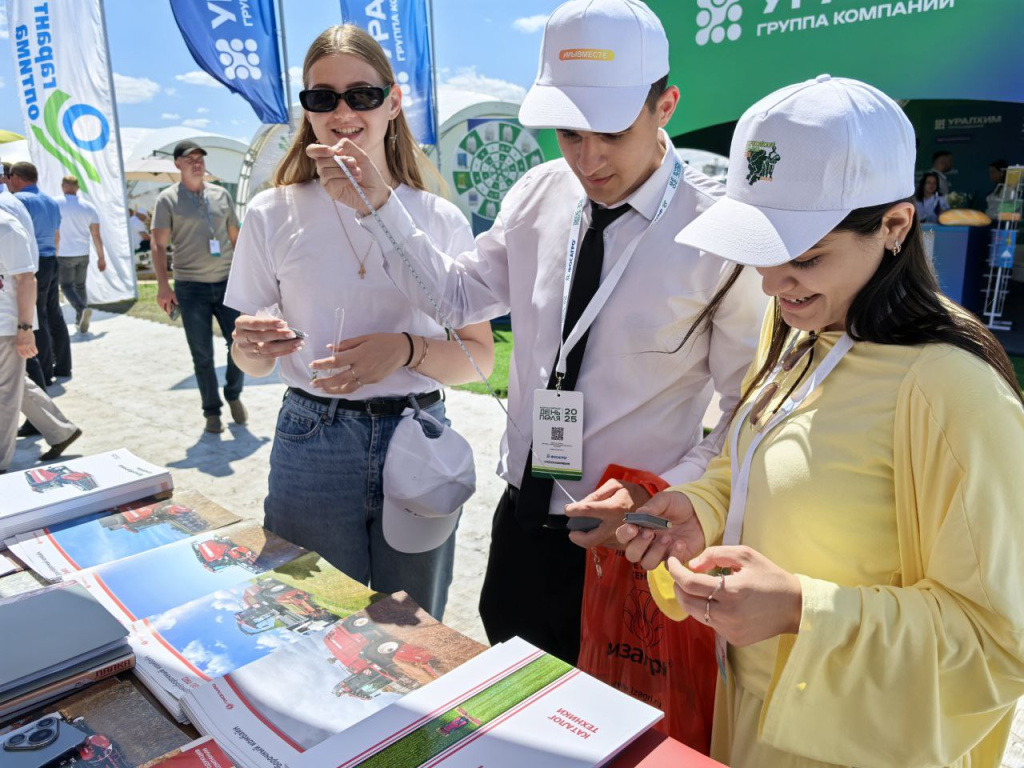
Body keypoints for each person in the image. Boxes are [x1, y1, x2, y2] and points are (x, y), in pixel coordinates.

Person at [311, 0, 765, 664]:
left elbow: (745, 410)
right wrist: (379, 205)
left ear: (665, 106)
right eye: (569, 133)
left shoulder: (718, 234)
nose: (589, 157)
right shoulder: (539, 193)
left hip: (633, 537)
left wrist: (661, 491)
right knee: (510, 677)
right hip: (523, 520)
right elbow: (455, 296)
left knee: (611, 711)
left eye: (611, 131)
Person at [617, 75, 1024, 767]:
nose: (771, 284)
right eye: (758, 250)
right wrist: (701, 509)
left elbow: (995, 639)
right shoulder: (796, 331)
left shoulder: (951, 389)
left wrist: (801, 609)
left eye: (805, 257)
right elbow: (748, 463)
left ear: (895, 227)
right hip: (749, 720)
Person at [225, 24, 494, 620]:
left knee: (412, 629)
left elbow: (480, 358)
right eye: (323, 97)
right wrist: (251, 346)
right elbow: (251, 359)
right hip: (312, 438)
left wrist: (405, 350)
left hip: (418, 434)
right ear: (307, 110)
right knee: (308, 620)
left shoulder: (438, 217)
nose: (343, 113)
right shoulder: (272, 211)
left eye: (362, 95)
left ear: (392, 102)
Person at [152, 141, 246, 434]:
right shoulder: (167, 199)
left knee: (241, 344)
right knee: (202, 354)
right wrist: (163, 286)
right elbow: (158, 244)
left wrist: (248, 276)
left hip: (227, 283)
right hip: (191, 287)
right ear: (177, 164)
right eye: (189, 159)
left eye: (200, 158)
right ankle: (212, 411)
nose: (196, 163)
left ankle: (233, 393)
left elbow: (236, 238)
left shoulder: (221, 195)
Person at [0, 210, 82, 471]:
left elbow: (27, 279)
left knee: (5, 393)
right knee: (14, 384)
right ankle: (61, 431)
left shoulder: (6, 226)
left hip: (6, 325)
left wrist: (25, 328)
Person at [7, 162, 70, 384]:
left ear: (16, 177)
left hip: (34, 263)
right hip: (52, 258)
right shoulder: (51, 201)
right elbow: (57, 235)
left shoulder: (18, 201)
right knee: (54, 312)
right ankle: (64, 365)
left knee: (36, 316)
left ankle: (45, 373)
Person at [57, 176, 106, 334]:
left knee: (66, 286)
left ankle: (81, 309)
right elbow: (96, 235)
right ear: (77, 188)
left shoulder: (55, 204)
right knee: (80, 285)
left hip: (63, 252)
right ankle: (80, 320)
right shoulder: (89, 207)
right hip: (83, 253)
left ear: (63, 186)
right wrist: (101, 257)